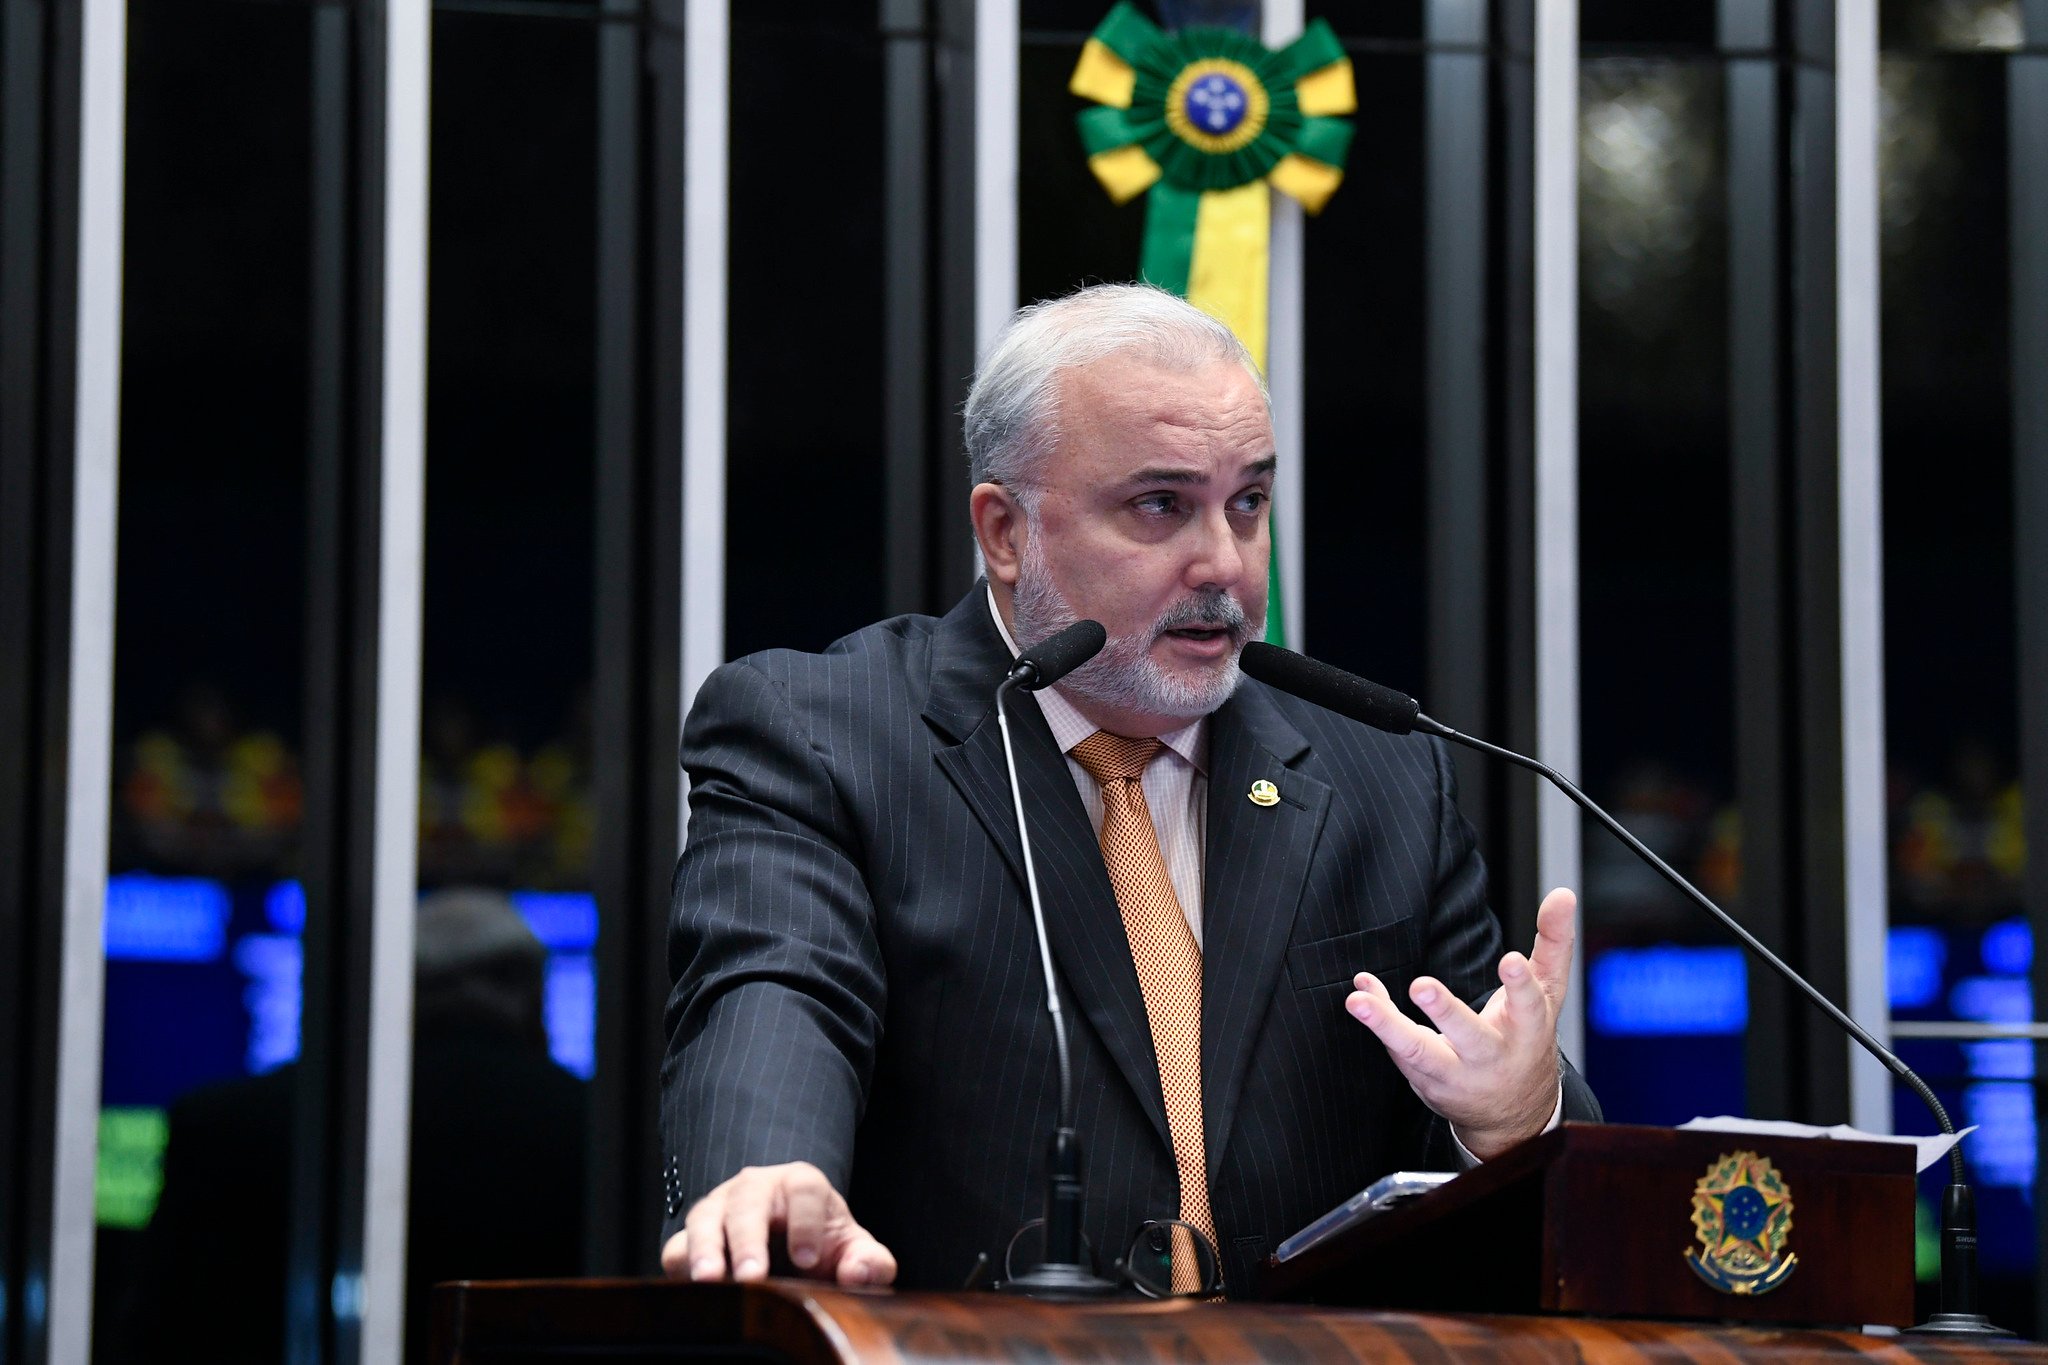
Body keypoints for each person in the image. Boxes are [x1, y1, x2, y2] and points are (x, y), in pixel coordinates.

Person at [660, 283, 1599, 1296]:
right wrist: (768, 1168)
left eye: (1246, 503)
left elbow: (1540, 1206)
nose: (1224, 564)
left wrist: (1512, 1118)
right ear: (1005, 532)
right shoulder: (825, 736)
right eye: (1160, 506)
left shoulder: (1377, 774)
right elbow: (774, 989)